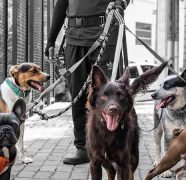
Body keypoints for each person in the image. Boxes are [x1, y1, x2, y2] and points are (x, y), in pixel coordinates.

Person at [45, 0, 129, 165]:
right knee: (77, 96)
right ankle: (83, 148)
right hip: (74, 38)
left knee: (109, 96)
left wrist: (120, 3)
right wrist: (51, 40)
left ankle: (113, 146)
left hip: (106, 34)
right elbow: (61, 5)